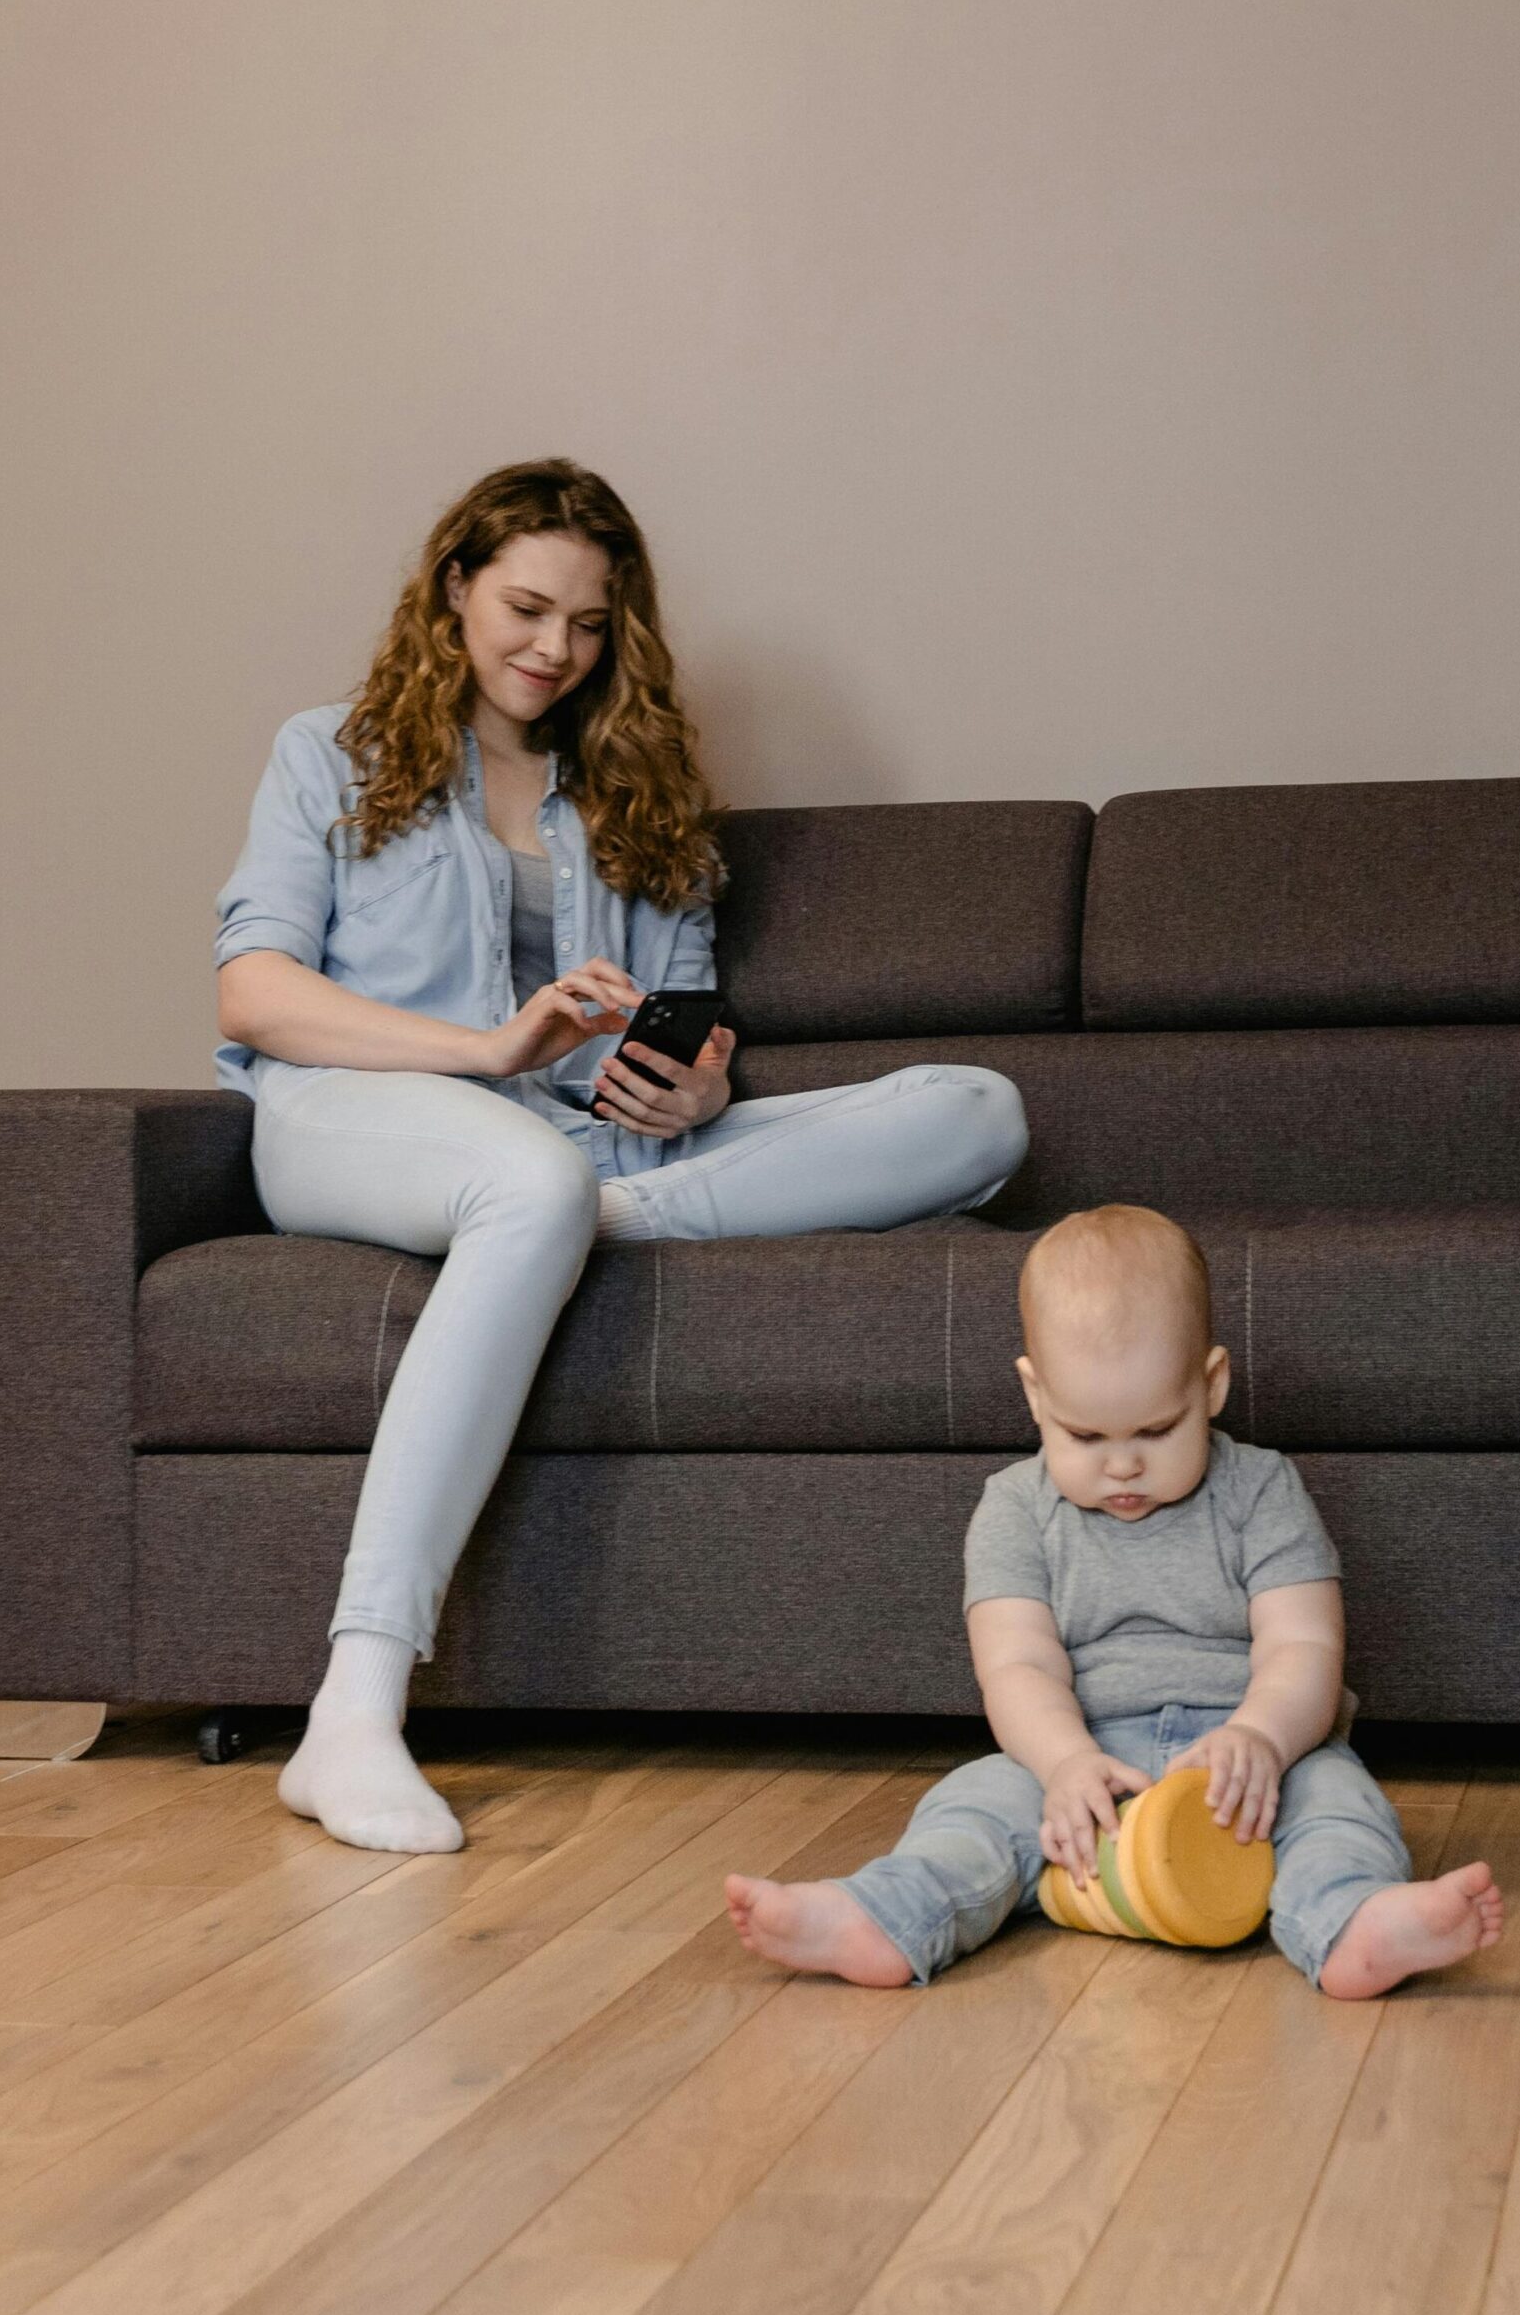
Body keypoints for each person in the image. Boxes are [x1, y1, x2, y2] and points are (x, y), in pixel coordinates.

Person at [214, 457, 1028, 1857]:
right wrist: (484, 1052)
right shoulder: (328, 751)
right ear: (454, 585)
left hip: (588, 1151)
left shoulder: (640, 787)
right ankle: (351, 1710)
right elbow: (254, 995)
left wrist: (690, 1090)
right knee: (523, 1181)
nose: (553, 650)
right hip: (354, 1117)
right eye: (526, 608)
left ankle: (580, 1219)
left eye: (588, 625)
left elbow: (673, 1022)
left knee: (979, 1111)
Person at [726, 1204, 1504, 2000]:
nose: (1122, 1466)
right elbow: (1016, 1663)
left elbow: (1303, 1645)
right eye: (1085, 1438)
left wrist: (1261, 1740)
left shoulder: (1261, 1488)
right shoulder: (1014, 1508)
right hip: (1085, 1754)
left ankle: (1354, 1923)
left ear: (1210, 1386)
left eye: (1156, 1430)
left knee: (1337, 1807)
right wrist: (1063, 1763)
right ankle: (882, 1916)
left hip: (1247, 1759)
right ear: (1035, 1395)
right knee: (974, 1807)